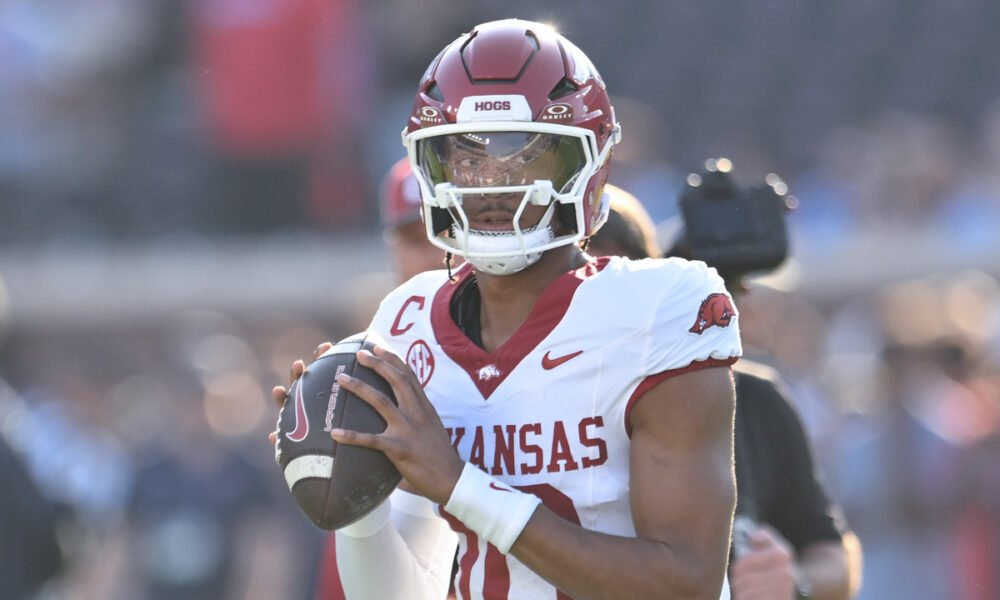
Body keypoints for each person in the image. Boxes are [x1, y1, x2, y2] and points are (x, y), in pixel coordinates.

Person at [276, 19, 741, 599]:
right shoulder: (407, 321)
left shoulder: (660, 308)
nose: (493, 184)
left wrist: (459, 483)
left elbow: (685, 583)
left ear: (588, 163)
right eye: (466, 158)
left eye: (525, 157)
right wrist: (356, 494)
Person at [589, 176, 863, 599]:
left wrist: (795, 582)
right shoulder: (499, 403)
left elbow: (834, 554)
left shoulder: (751, 398)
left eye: (616, 288)